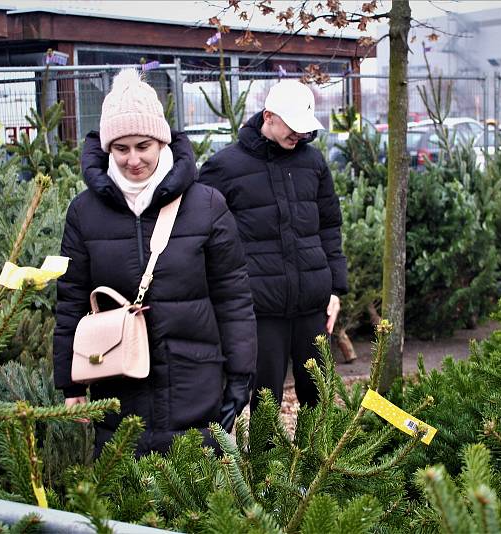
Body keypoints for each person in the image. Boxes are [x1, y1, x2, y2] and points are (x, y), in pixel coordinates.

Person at [53, 69, 256, 456]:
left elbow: (233, 297)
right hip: (117, 392)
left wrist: (240, 375)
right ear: (107, 149)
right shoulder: (83, 213)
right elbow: (70, 301)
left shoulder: (206, 205)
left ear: (162, 141)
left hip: (195, 387)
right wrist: (72, 385)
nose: (133, 160)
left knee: (197, 506)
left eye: (143, 146)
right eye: (121, 148)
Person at [199, 79, 347, 410]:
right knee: (265, 399)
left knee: (318, 397)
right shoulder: (224, 167)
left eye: (305, 129)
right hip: (260, 307)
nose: (300, 136)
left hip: (312, 302)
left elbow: (329, 226)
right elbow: (204, 234)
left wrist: (336, 289)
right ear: (268, 116)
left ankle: (317, 461)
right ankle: (264, 463)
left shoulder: (313, 163)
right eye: (292, 128)